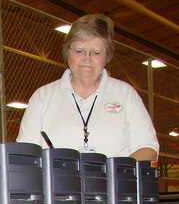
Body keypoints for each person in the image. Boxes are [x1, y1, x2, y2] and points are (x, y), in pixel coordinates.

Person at [16, 14, 159, 161]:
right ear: (67, 51)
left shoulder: (126, 94)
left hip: (115, 183)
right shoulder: (42, 97)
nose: (87, 59)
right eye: (79, 51)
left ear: (107, 55)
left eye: (96, 53)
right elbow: (26, 154)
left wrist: (114, 175)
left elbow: (148, 147)